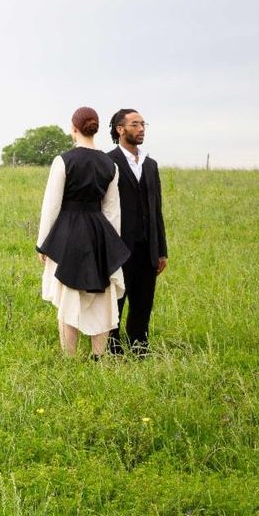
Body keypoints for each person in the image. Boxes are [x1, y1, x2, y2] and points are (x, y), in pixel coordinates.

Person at [37, 107, 131, 357]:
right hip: (100, 232)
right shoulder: (110, 164)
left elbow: (51, 205)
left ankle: (69, 357)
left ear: (73, 128)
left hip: (68, 233)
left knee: (68, 294)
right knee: (101, 298)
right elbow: (112, 211)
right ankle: (98, 356)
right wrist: (112, 246)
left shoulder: (63, 160)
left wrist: (42, 244)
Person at [107, 109, 168, 356]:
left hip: (147, 246)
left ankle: (140, 346)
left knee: (144, 300)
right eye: (135, 124)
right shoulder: (107, 162)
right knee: (116, 299)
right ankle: (112, 346)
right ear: (120, 129)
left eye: (143, 124)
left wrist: (161, 251)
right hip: (119, 245)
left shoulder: (150, 165)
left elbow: (157, 209)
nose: (141, 129)